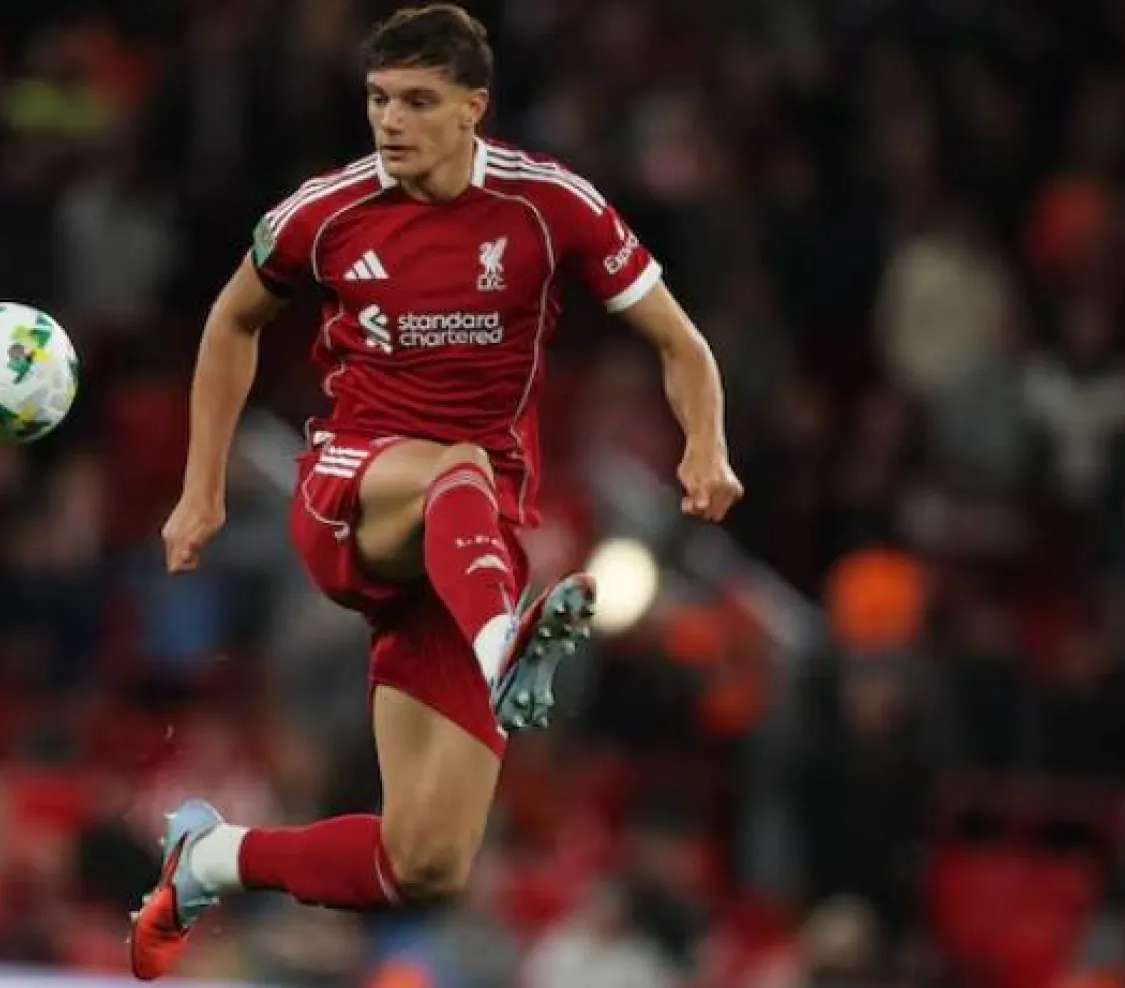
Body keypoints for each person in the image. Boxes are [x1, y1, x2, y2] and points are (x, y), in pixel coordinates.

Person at [130, 4, 742, 979]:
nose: (390, 121)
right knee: (457, 466)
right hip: (355, 490)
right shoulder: (324, 211)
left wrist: (705, 446)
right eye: (378, 100)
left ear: (473, 109)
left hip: (467, 556)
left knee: (424, 862)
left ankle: (210, 859)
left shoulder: (550, 205)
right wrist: (200, 491)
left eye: (417, 101)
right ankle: (508, 646)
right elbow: (230, 323)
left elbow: (679, 341)